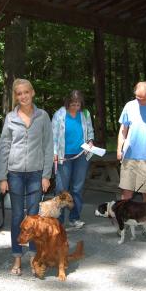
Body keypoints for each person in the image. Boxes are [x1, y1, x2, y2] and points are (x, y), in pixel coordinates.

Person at [0, 78, 53, 275]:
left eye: (25, 92)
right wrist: (2, 177)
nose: (23, 96)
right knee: (18, 217)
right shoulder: (11, 118)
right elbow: (4, 147)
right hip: (15, 174)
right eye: (19, 94)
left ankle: (34, 258)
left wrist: (46, 175)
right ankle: (17, 258)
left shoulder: (43, 116)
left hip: (37, 173)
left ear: (32, 92)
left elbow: (48, 146)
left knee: (35, 217)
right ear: (15, 96)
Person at [52, 90, 95, 228]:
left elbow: (90, 130)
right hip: (63, 155)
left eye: (78, 104)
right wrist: (54, 153)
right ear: (67, 102)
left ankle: (74, 218)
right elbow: (53, 136)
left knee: (77, 188)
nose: (76, 107)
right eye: (73, 104)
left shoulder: (85, 114)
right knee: (61, 189)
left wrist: (90, 141)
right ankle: (58, 220)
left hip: (81, 155)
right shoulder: (59, 114)